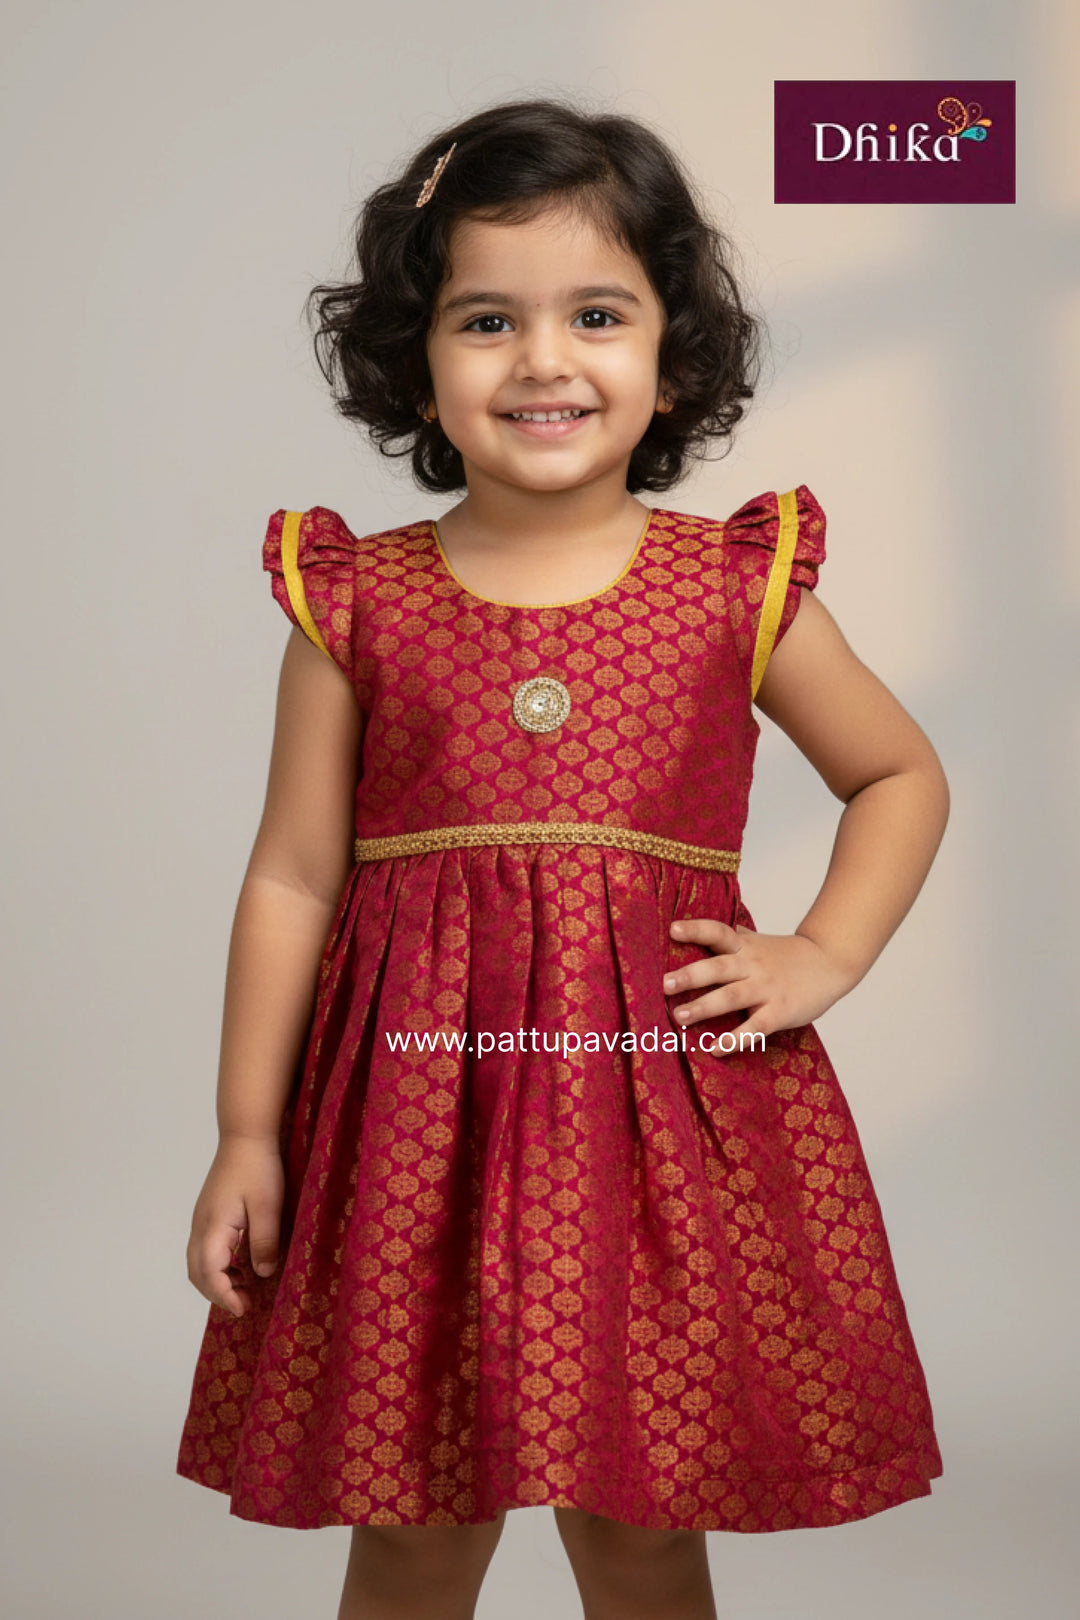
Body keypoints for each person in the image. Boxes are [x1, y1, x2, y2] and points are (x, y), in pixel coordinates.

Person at [177, 96, 948, 1620]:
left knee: (644, 1513)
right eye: (487, 318)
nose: (543, 360)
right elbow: (290, 878)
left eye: (597, 312)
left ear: (673, 351)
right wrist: (247, 1134)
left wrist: (824, 954)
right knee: (413, 1515)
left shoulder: (738, 587)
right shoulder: (360, 607)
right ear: (419, 357)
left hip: (665, 1124)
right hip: (414, 1127)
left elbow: (897, 772)